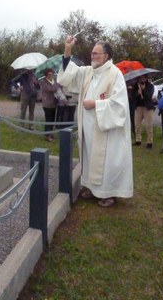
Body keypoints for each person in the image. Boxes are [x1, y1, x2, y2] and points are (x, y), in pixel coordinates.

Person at [57, 38, 133, 208]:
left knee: (106, 161)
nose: (92, 56)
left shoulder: (115, 74)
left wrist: (96, 104)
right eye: (92, 53)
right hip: (89, 129)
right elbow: (69, 74)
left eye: (96, 53)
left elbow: (120, 105)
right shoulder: (89, 71)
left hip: (107, 130)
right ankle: (92, 188)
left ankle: (108, 193)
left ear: (106, 55)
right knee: (90, 157)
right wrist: (67, 49)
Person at [131, 75, 155, 148]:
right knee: (137, 124)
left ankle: (149, 142)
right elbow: (132, 97)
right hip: (138, 107)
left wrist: (144, 90)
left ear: (146, 78)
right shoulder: (135, 85)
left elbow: (149, 96)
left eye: (143, 78)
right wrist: (137, 93)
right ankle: (138, 140)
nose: (142, 79)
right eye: (140, 78)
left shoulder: (150, 86)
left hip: (147, 107)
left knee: (148, 125)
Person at [41, 68, 60, 141]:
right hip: (47, 104)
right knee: (48, 119)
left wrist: (56, 85)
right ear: (46, 75)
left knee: (52, 119)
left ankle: (51, 133)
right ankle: (47, 135)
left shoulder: (53, 81)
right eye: (49, 74)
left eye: (52, 74)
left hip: (54, 103)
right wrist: (57, 85)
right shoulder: (44, 82)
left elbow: (55, 88)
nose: (51, 75)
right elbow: (51, 89)